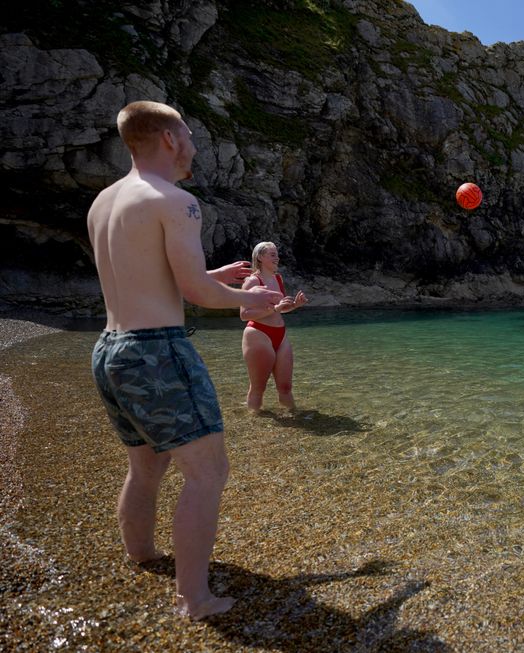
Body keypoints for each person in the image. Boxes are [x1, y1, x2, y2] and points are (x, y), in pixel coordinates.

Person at [87, 101, 282, 619]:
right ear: (169, 139)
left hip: (110, 350)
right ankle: (194, 598)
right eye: (189, 135)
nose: (194, 145)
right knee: (208, 472)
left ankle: (142, 555)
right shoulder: (178, 201)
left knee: (145, 465)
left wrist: (217, 274)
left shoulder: (105, 202)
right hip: (157, 350)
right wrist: (252, 299)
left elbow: (152, 277)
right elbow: (194, 294)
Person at [240, 241, 308, 413]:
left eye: (277, 254)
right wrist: (274, 308)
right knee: (258, 388)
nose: (277, 258)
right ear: (260, 257)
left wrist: (295, 306)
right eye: (272, 254)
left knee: (285, 387)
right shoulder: (252, 281)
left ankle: (297, 418)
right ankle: (253, 424)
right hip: (258, 334)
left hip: (281, 334)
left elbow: (280, 310)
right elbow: (244, 314)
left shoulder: (278, 278)